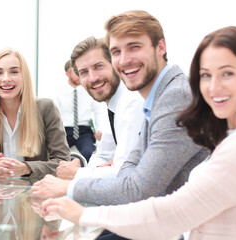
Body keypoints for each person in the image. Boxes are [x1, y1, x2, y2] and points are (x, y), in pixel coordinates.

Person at [42, 25, 236, 240]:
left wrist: (81, 213)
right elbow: (131, 166)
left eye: (227, 73)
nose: (213, 87)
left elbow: (172, 211)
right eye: (205, 75)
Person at [32, 10, 209, 208]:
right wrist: (118, 172)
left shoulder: (175, 97)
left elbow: (137, 188)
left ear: (161, 47)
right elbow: (128, 171)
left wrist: (70, 185)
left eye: (134, 47)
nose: (124, 60)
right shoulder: (155, 99)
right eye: (117, 52)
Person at [0, 48, 70, 178]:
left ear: (24, 76)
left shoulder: (45, 108)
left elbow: (63, 162)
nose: (6, 79)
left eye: (14, 72)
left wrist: (25, 168)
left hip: (35, 193)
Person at [55, 36, 143, 181]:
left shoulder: (132, 101)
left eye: (99, 66)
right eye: (83, 72)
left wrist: (78, 173)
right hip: (66, 129)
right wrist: (96, 170)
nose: (93, 78)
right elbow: (103, 155)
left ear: (114, 63)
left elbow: (125, 173)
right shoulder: (112, 105)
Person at [53, 59, 109, 161]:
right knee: (56, 155)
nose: (78, 75)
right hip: (64, 130)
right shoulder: (58, 92)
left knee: (89, 153)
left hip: (84, 131)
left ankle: (86, 176)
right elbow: (53, 116)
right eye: (75, 72)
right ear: (67, 74)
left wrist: (100, 129)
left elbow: (99, 112)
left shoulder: (90, 90)